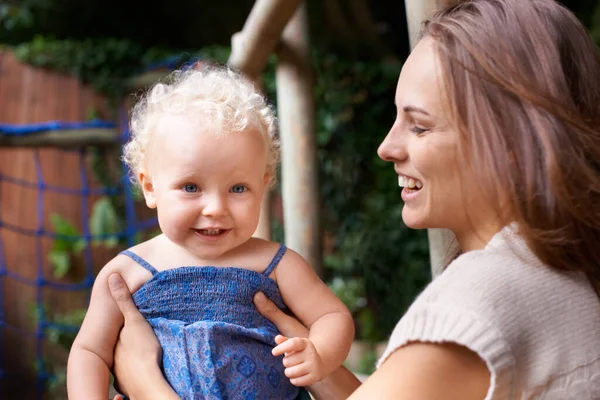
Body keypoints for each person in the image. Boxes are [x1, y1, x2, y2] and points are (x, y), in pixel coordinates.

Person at [109, 0, 600, 398]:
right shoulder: (556, 271)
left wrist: (144, 382)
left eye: (420, 124)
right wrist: (311, 359)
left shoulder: (480, 304)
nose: (387, 147)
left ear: (511, 143)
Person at [66, 65, 354, 400]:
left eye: (238, 188)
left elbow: (333, 316)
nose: (215, 208)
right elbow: (90, 352)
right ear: (150, 187)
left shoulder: (276, 263)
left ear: (263, 186)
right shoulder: (126, 273)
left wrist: (319, 354)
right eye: (191, 187)